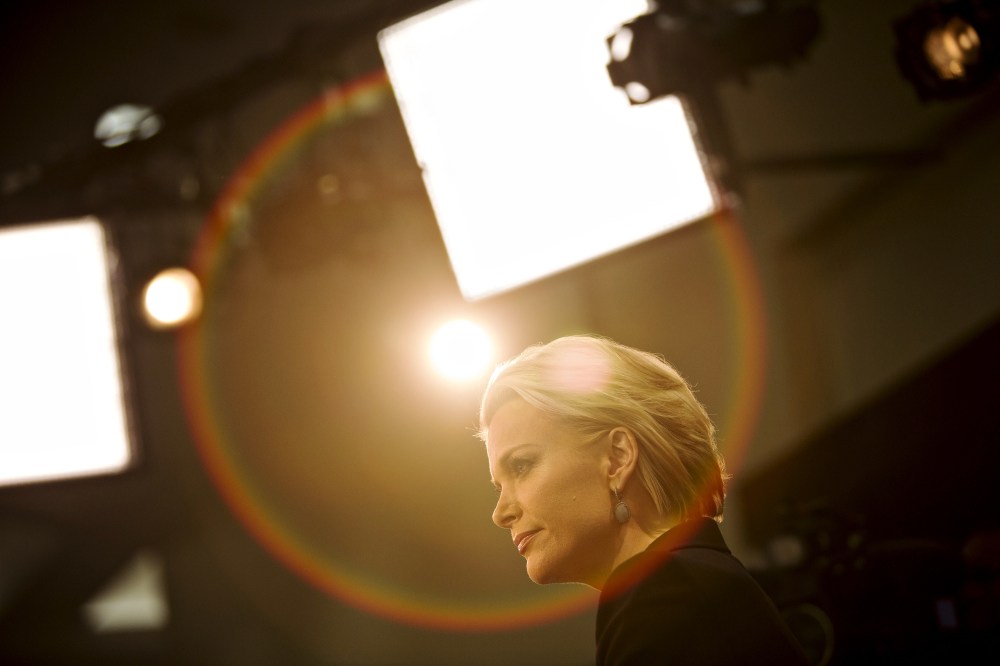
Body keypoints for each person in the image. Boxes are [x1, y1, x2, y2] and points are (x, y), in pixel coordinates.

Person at [478, 335, 809, 665]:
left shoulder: (668, 599)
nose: (500, 513)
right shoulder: (695, 584)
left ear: (617, 458)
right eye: (498, 486)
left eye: (521, 465)